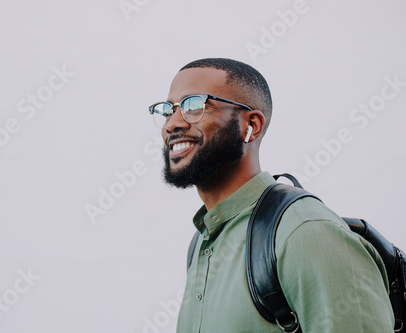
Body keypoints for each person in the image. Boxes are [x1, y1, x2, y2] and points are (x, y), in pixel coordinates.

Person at [148, 58, 394, 332]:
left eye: (194, 105)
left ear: (251, 125)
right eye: (168, 110)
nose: (172, 124)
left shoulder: (306, 232)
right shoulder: (203, 240)